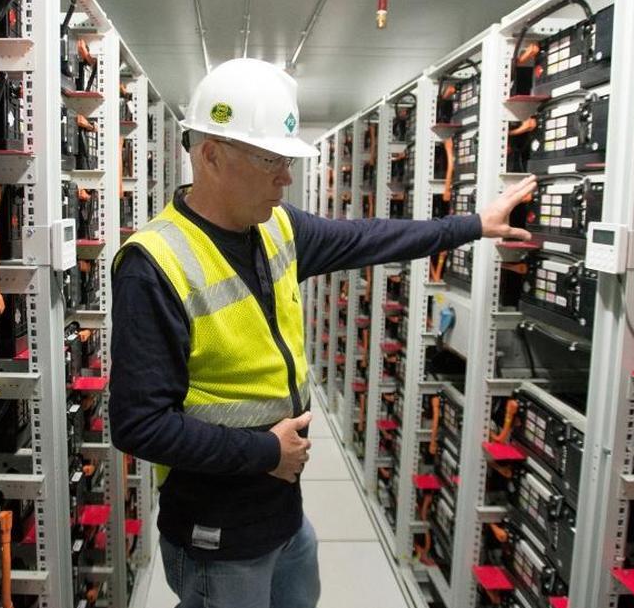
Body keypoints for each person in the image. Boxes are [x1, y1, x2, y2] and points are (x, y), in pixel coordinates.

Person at [108, 58, 535, 608]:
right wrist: (266, 450)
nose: (285, 178)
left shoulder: (276, 227)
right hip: (218, 530)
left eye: (286, 161)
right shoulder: (154, 263)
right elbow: (139, 426)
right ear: (211, 155)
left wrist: (473, 225)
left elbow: (368, 238)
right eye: (271, 161)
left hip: (283, 510)